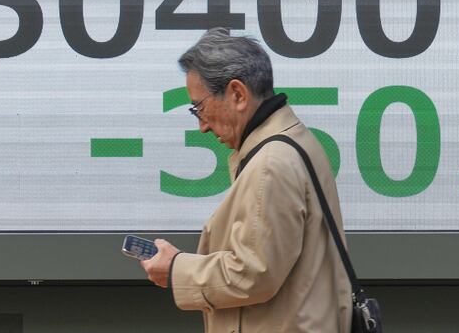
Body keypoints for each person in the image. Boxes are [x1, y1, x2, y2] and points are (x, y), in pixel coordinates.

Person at [140, 27, 352, 333]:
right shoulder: (293, 141)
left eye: (200, 107)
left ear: (238, 94)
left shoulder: (271, 164)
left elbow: (253, 274)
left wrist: (176, 269)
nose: (202, 126)